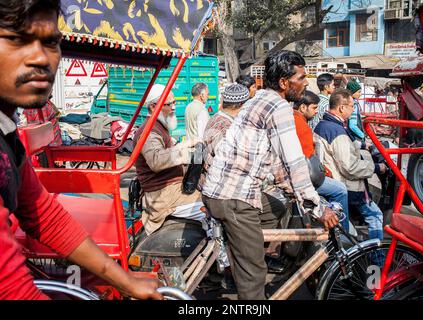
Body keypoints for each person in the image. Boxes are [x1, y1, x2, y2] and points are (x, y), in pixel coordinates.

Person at [0, 0, 162, 300]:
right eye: (17, 39)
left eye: (50, 42)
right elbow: (10, 287)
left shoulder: (6, 133)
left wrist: (124, 281)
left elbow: (43, 214)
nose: (40, 57)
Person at [202, 50, 339, 300]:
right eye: (301, 77)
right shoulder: (279, 108)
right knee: (254, 274)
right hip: (233, 197)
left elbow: (275, 161)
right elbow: (295, 162)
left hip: (223, 191)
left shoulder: (258, 99)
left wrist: (295, 193)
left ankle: (246, 246)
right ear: (285, 83)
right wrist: (318, 208)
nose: (306, 82)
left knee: (280, 205)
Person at [202, 83, 286, 276]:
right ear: (242, 106)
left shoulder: (218, 120)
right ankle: (247, 256)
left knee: (274, 207)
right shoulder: (226, 127)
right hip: (225, 190)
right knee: (273, 209)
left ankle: (250, 252)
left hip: (222, 188)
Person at [132, 84, 205, 236]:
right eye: (168, 104)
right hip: (163, 196)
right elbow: (156, 160)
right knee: (215, 210)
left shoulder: (159, 127)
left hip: (171, 191)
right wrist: (186, 152)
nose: (173, 108)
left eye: (174, 103)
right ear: (153, 106)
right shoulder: (149, 132)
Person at [314, 89, 386, 240]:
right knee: (375, 215)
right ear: (342, 108)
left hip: (333, 180)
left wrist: (361, 146)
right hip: (347, 185)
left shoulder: (323, 124)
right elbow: (349, 167)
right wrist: (375, 168)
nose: (354, 110)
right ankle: (377, 260)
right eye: (352, 106)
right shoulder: (336, 130)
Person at [293, 90, 350, 231]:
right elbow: (308, 158)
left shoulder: (295, 120)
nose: (316, 111)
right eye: (314, 108)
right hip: (303, 178)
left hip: (299, 174)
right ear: (302, 107)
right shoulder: (301, 126)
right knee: (340, 189)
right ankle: (343, 233)